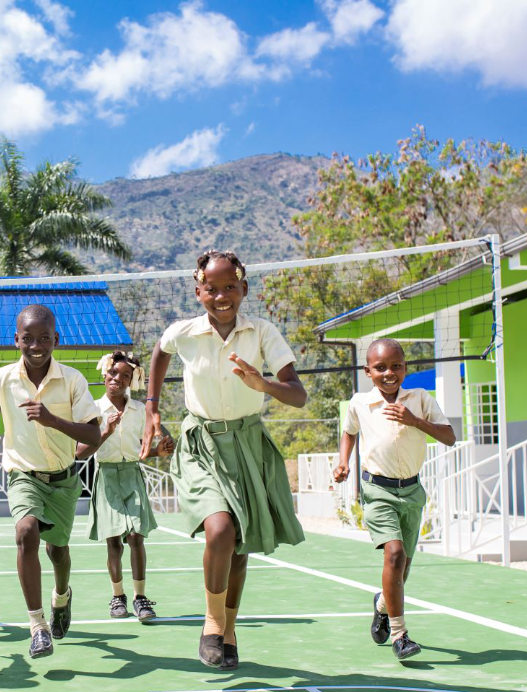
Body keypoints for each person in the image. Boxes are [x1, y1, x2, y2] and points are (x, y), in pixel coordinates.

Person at [142, 250, 307, 670]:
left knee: (239, 546)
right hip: (201, 443)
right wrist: (152, 409)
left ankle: (228, 631)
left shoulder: (262, 332)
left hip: (248, 444)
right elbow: (159, 353)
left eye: (230, 287)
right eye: (211, 289)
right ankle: (212, 623)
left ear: (244, 288)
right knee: (220, 530)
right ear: (198, 292)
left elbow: (297, 392)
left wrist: (263, 383)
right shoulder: (185, 332)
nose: (221, 296)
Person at [0, 305, 102, 658]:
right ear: (16, 340)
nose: (36, 345)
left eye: (44, 338)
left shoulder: (73, 380)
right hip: (22, 474)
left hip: (63, 479)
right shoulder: (2, 378)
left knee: (57, 551)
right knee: (25, 532)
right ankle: (37, 627)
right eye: (28, 338)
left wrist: (51, 420)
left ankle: (62, 597)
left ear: (55, 340)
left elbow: (93, 437)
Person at [333, 338, 455, 662]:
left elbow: (449, 437)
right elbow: (349, 432)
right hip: (377, 489)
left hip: (412, 491)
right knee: (395, 553)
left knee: (402, 569)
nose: (389, 373)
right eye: (381, 368)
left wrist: (415, 421)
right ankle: (400, 636)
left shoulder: (420, 399)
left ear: (405, 367)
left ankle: (382, 605)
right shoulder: (360, 403)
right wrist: (343, 461)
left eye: (396, 366)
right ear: (368, 372)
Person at [77, 351, 173, 622]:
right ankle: (117, 596)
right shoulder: (93, 410)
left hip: (132, 474)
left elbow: (142, 450)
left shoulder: (141, 410)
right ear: (104, 373)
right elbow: (80, 452)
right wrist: (104, 431)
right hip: (106, 477)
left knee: (136, 537)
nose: (118, 378)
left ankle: (140, 597)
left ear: (133, 380)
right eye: (113, 373)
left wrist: (159, 451)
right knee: (114, 543)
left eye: (125, 375)